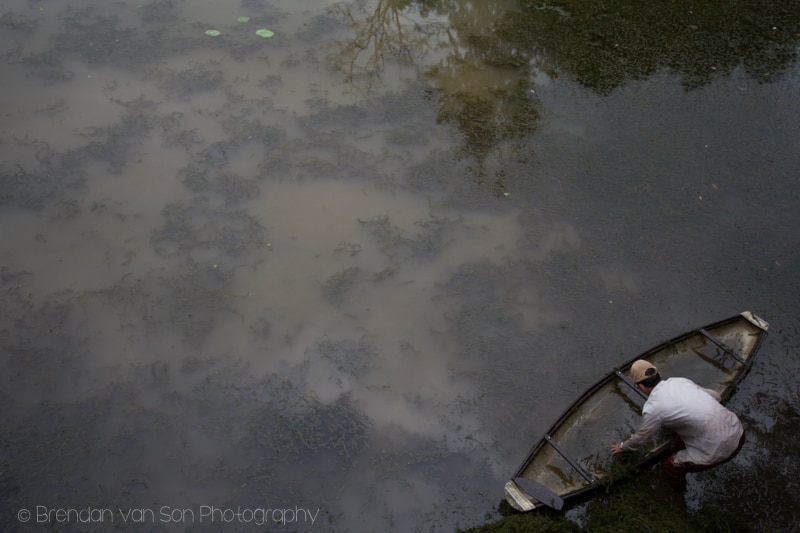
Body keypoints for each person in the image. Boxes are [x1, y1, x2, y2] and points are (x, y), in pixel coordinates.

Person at [610, 360, 746, 490]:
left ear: (640, 387)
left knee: (671, 466)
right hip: (738, 430)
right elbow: (716, 396)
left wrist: (622, 446)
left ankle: (678, 493)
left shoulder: (652, 408)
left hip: (720, 450)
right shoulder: (679, 381)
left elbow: (642, 438)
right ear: (660, 374)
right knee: (682, 429)